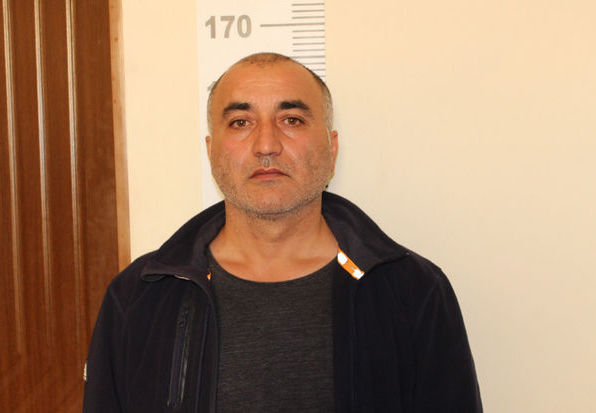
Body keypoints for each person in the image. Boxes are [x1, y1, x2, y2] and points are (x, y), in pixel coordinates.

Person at [83, 52, 482, 412]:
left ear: (332, 149)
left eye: (292, 120)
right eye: (240, 123)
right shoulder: (140, 297)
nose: (266, 145)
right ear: (211, 151)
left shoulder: (412, 292)